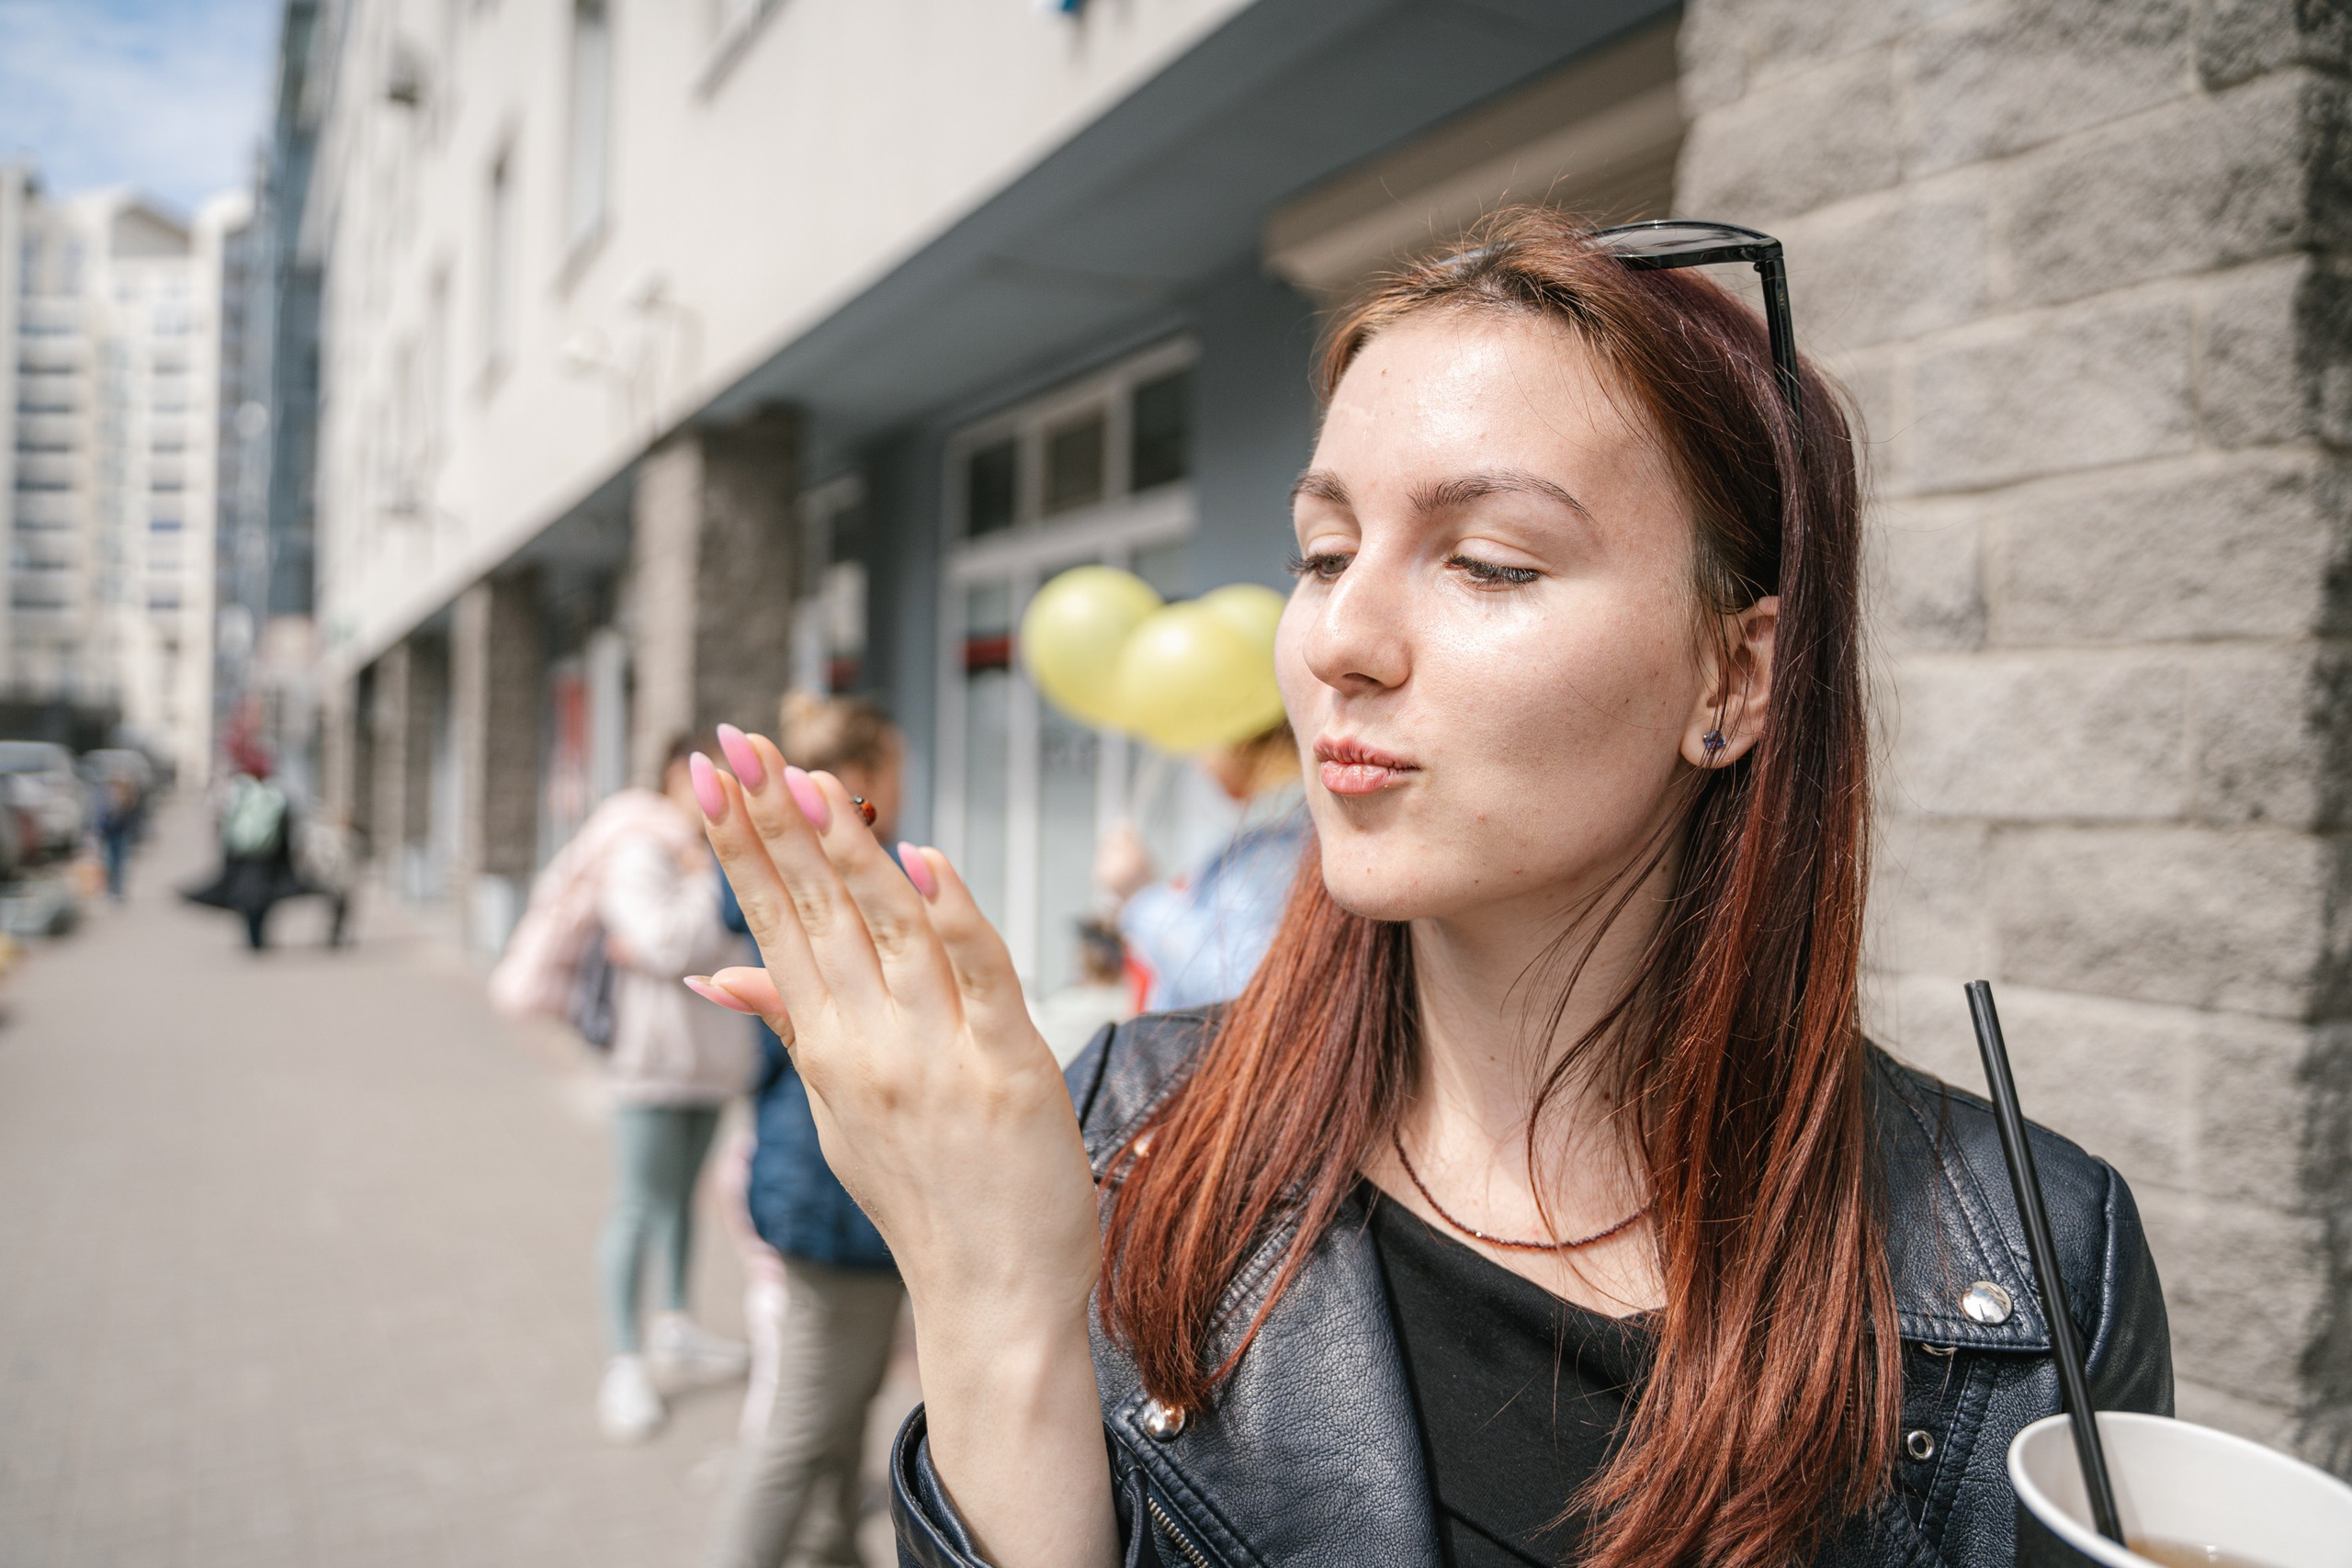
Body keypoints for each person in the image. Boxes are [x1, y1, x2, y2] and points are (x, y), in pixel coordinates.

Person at [684, 208, 2172, 1568]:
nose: (1342, 636)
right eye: (1323, 550)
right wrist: (992, 1301)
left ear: (1732, 673)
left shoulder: (2034, 1267)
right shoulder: (1126, 1145)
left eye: (1491, 562)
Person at [696, 692, 908, 1568]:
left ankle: (831, 1552)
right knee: (801, 1423)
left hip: (816, 1174)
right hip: (837, 1189)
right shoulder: (848, 891)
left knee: (845, 1405)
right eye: (891, 774)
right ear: (855, 783)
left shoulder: (785, 888)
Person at [592, 732, 757, 1444]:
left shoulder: (722, 856)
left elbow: (746, 938)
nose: (711, 793)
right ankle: (624, 1361)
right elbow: (662, 942)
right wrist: (702, 886)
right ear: (667, 782)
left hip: (713, 1061)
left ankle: (676, 1323)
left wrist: (702, 908)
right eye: (697, 779)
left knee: (684, 1202)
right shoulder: (641, 851)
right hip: (654, 1062)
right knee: (638, 1205)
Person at [1093, 720, 1306, 1012]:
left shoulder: (1281, 850)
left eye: (1204, 737)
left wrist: (1141, 895)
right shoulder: (1274, 835)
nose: (1198, 763)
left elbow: (1235, 985)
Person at [179, 760, 316, 950]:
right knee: (266, 899)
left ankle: (253, 938)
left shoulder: (238, 794)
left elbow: (225, 825)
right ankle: (260, 937)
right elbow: (288, 828)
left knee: (245, 899)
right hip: (270, 858)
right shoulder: (276, 795)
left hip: (242, 858)